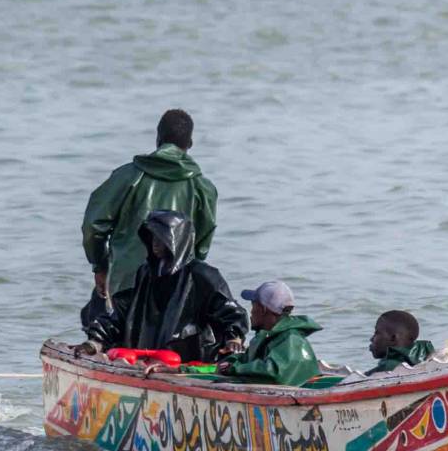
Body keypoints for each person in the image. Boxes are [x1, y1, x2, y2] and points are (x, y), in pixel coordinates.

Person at [81, 109, 218, 326]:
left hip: (126, 283)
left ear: (158, 138)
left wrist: (100, 265)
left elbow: (93, 225)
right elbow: (202, 245)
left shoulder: (127, 177)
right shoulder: (203, 188)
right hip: (178, 289)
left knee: (115, 332)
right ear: (190, 144)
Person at [81, 210, 248, 362]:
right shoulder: (146, 272)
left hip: (189, 359)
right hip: (147, 355)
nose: (155, 244)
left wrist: (234, 338)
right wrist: (96, 339)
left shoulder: (203, 275)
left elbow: (231, 312)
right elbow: (126, 311)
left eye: (161, 239)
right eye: (153, 237)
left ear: (178, 240)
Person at [217, 280, 322, 387]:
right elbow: (247, 359)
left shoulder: (291, 339)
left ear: (263, 310)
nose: (251, 312)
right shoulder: (269, 337)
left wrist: (235, 369)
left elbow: (273, 372)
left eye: (253, 306)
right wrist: (229, 361)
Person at [366, 310, 435, 375]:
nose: (371, 339)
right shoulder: (428, 356)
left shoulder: (389, 367)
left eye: (377, 333)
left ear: (393, 338)